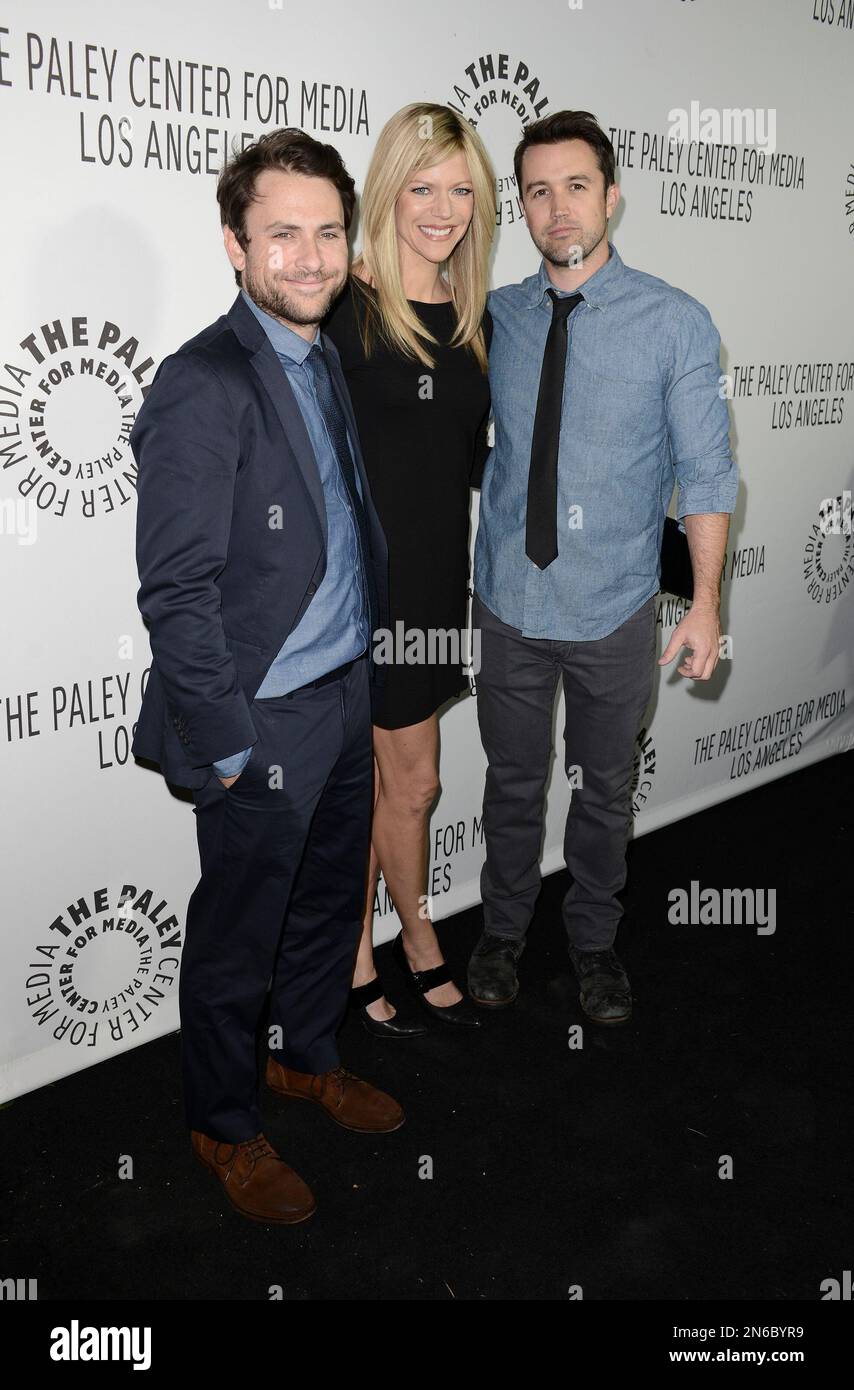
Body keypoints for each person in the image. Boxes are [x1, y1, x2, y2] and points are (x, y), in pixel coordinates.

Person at [131, 128, 403, 1226]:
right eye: (280, 233)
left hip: (341, 697)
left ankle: (305, 1057)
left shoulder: (321, 349)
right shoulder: (201, 382)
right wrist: (234, 744)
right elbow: (176, 591)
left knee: (328, 904)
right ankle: (223, 1122)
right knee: (240, 927)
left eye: (327, 231)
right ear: (235, 245)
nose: (308, 255)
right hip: (261, 720)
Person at [468, 111, 738, 1024]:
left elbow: (705, 473)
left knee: (604, 788)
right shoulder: (495, 317)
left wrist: (703, 605)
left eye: (576, 185)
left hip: (615, 608)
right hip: (507, 599)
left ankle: (592, 942)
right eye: (538, 190)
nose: (558, 207)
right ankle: (502, 930)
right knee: (509, 783)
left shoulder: (675, 323)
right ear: (524, 206)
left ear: (611, 196)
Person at [323, 103, 494, 1035]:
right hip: (359, 590)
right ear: (387, 190)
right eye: (422, 187)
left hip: (434, 584)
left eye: (461, 189)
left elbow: (471, 465)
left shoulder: (473, 321)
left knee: (417, 785)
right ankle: (356, 947)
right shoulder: (342, 306)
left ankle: (416, 922)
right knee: (360, 779)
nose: (442, 208)